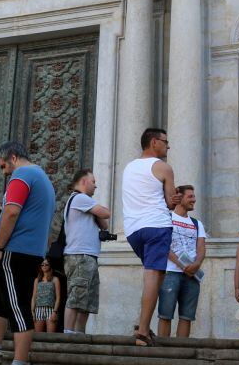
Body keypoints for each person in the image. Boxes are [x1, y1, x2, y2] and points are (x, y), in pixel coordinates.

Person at [0, 141, 56, 365]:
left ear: (13, 157)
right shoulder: (41, 177)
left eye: (4, 166)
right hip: (29, 251)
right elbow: (17, 210)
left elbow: (13, 212)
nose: (4, 172)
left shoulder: (22, 174)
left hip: (16, 251)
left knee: (18, 305)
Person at [121, 128, 179, 347]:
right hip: (157, 226)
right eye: (165, 141)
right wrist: (175, 198)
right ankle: (143, 331)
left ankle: (141, 323)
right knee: (153, 277)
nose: (168, 146)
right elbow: (171, 203)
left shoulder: (129, 167)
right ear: (154, 142)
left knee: (154, 278)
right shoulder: (163, 167)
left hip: (134, 231)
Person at [62, 169, 111, 334]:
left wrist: (94, 212)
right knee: (76, 296)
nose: (96, 186)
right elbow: (106, 213)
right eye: (93, 182)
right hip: (79, 255)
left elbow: (104, 225)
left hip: (89, 256)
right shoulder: (80, 198)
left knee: (87, 300)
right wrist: (96, 210)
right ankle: (68, 333)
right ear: (83, 182)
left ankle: (79, 334)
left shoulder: (86, 204)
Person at [157, 185, 207, 339]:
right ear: (179, 198)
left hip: (192, 275)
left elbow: (201, 247)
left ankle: (182, 350)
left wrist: (197, 264)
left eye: (194, 196)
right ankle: (163, 351)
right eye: (190, 196)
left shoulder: (197, 223)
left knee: (187, 316)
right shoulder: (166, 218)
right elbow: (163, 245)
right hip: (171, 272)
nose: (194, 200)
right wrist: (182, 265)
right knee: (166, 313)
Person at [31, 259, 60, 333]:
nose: (44, 266)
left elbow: (58, 297)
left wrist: (55, 312)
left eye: (46, 264)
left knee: (50, 336)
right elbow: (34, 297)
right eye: (42, 264)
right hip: (38, 309)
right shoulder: (37, 280)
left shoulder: (55, 279)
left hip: (50, 310)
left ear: (50, 266)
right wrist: (32, 312)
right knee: (38, 336)